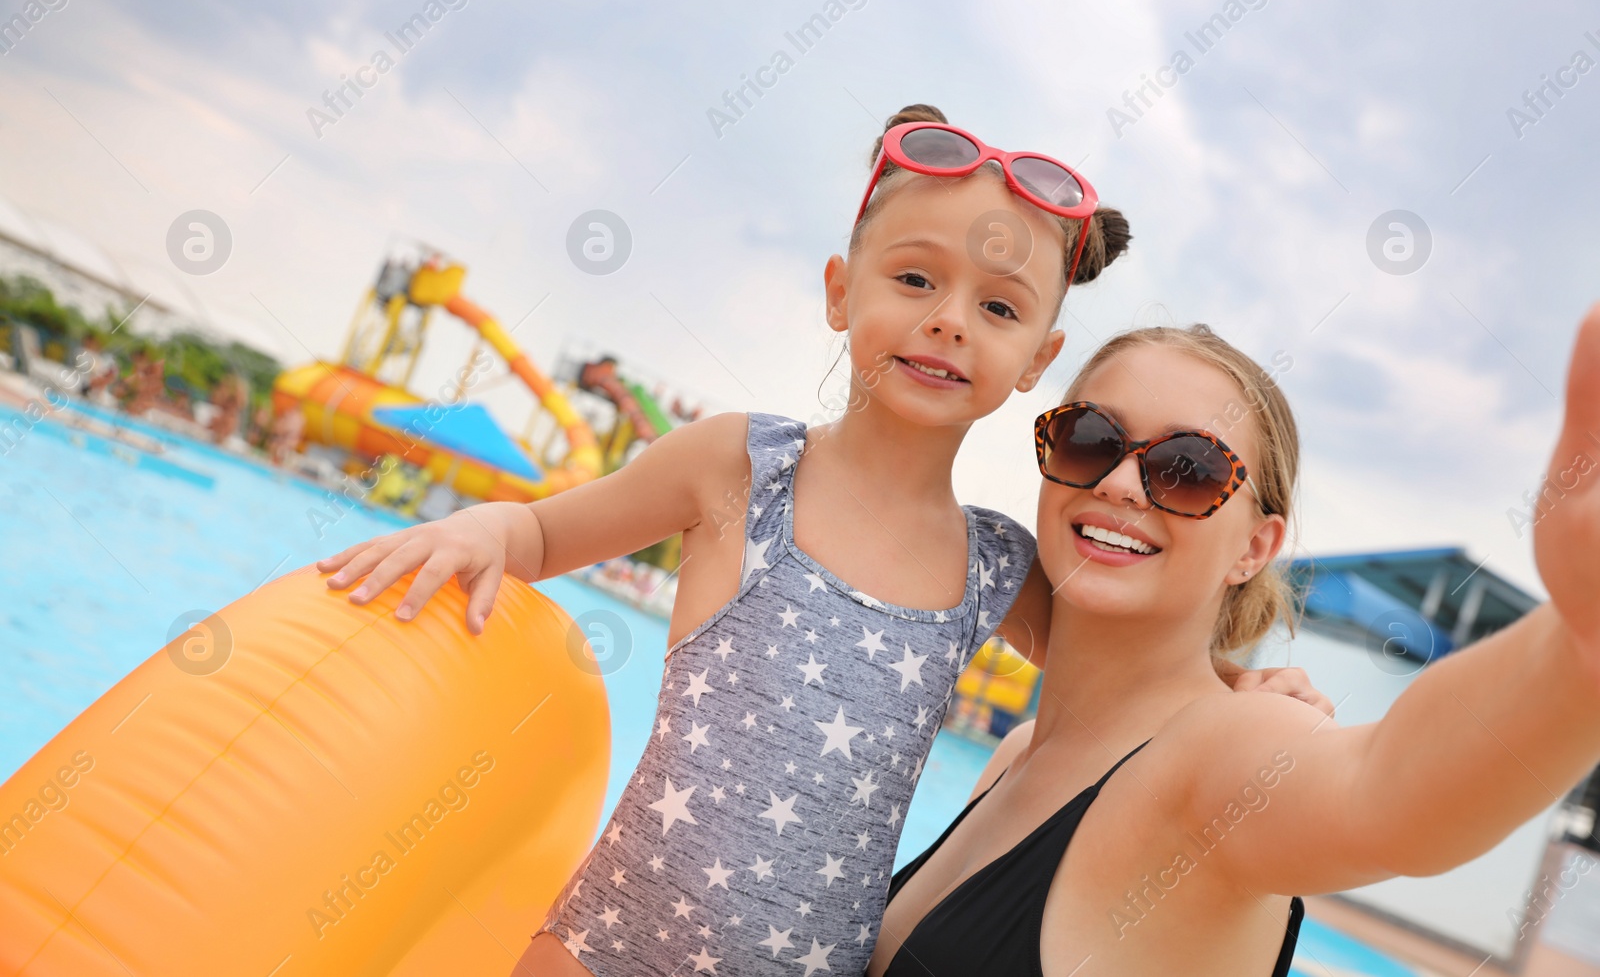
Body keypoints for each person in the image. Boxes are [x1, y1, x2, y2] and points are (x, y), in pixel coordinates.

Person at [316, 105, 1326, 977]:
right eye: (915, 280)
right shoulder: (735, 468)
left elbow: (1128, 679)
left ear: (1035, 360)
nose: (949, 323)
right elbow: (543, 528)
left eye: (999, 307)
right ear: (841, 291)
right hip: (610, 943)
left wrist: (1246, 689)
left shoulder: (994, 564)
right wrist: (479, 525)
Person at [867, 316, 1600, 976]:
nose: (1122, 481)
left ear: (1255, 546)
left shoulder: (1226, 752)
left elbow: (1385, 790)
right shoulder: (1015, 756)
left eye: (1188, 469)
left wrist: (1579, 641)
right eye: (1090, 437)